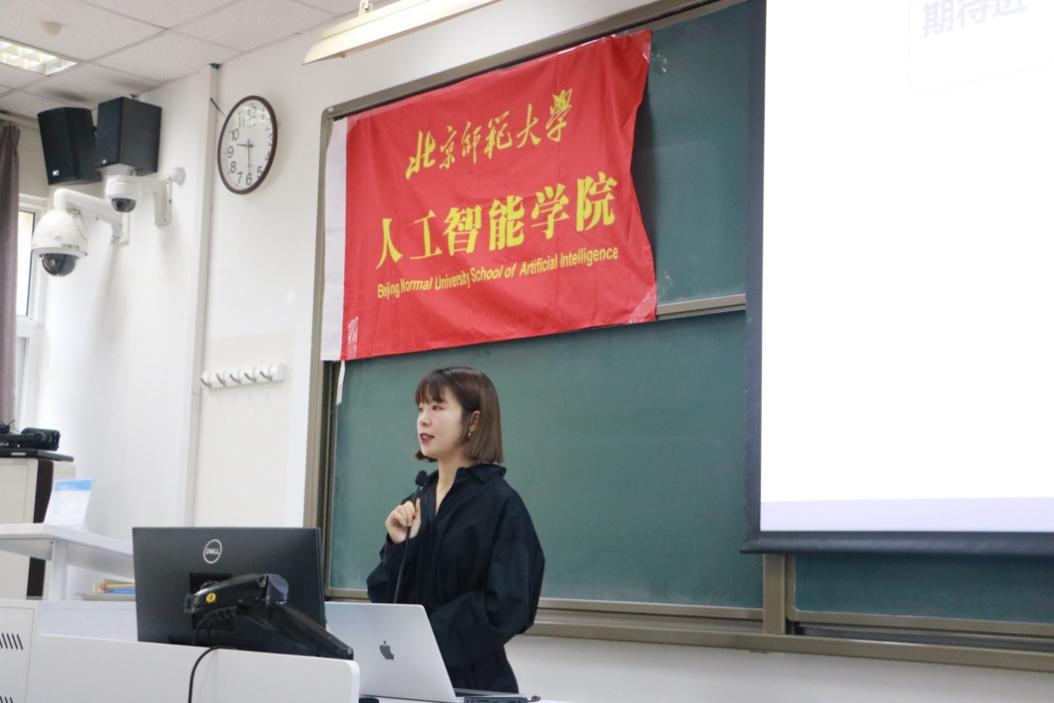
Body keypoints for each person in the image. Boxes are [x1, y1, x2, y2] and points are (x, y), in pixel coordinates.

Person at [367, 366, 544, 694]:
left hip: (474, 686)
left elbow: (509, 605)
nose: (423, 420)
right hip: (410, 680)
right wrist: (399, 546)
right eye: (421, 408)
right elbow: (385, 600)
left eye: (437, 407)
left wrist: (427, 636)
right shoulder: (416, 502)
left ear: (473, 421)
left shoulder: (501, 503)